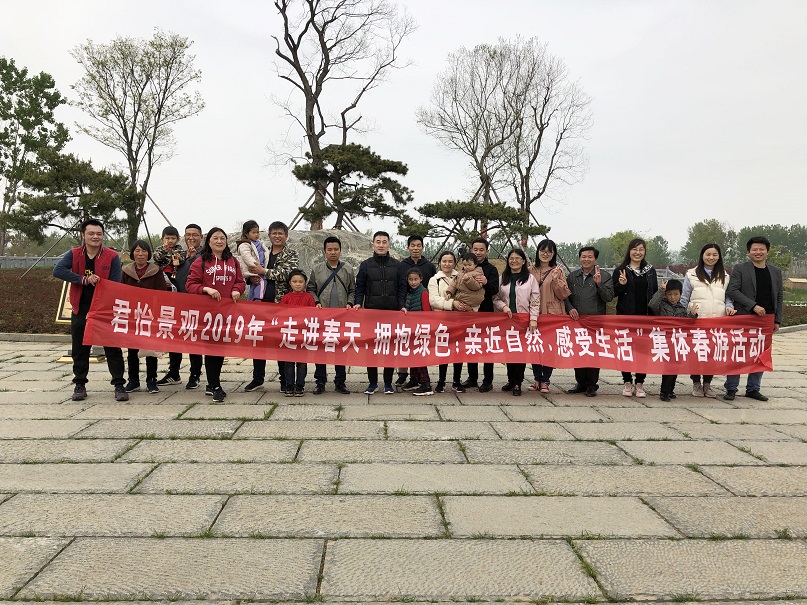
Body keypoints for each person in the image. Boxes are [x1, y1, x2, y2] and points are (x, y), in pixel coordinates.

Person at [53, 218, 127, 402]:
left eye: (99, 234)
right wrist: (83, 279)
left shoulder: (111, 256)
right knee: (80, 347)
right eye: (91, 233)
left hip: (104, 308)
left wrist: (101, 283)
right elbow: (58, 270)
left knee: (112, 347)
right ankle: (80, 384)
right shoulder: (74, 254)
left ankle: (119, 384)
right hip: (81, 307)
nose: (95, 237)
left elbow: (115, 282)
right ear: (83, 235)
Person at [186, 227, 246, 402]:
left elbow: (241, 282)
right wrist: (206, 289)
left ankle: (212, 384)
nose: (219, 241)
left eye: (222, 238)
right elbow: (190, 285)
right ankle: (215, 385)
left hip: (227, 313)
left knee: (220, 349)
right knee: (211, 349)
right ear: (209, 241)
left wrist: (237, 289)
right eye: (215, 238)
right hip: (207, 313)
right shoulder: (200, 262)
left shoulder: (233, 261)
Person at [723, 235, 784, 402]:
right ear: (748, 252)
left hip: (766, 319)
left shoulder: (775, 272)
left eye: (761, 249)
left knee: (761, 355)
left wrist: (777, 320)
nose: (758, 252)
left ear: (767, 251)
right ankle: (731, 388)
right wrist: (753, 305)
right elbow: (732, 291)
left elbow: (779, 296)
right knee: (738, 353)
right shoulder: (740, 269)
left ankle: (753, 388)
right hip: (744, 317)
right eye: (754, 249)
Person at [244, 221, 299, 393]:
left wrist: (264, 272)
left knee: (281, 343)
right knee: (258, 342)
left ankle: (284, 380)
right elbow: (251, 268)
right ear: (268, 235)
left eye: (280, 233)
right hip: (260, 304)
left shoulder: (291, 253)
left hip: (281, 306)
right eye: (274, 233)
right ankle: (257, 378)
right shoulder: (263, 252)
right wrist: (251, 277)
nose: (277, 236)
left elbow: (288, 274)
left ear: (286, 236)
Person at [353, 230, 407, 395]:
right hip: (371, 313)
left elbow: (402, 288)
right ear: (373, 245)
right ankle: (372, 383)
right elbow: (360, 287)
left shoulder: (398, 266)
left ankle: (388, 383)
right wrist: (357, 303)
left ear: (389, 245)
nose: (381, 245)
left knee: (389, 348)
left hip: (392, 312)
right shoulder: (366, 265)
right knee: (372, 348)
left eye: (384, 242)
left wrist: (401, 306)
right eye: (378, 242)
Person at [680, 243, 736, 398]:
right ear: (702, 256)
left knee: (712, 354)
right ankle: (696, 383)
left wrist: (729, 307)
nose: (711, 257)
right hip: (696, 321)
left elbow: (728, 297)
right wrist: (683, 316)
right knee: (696, 353)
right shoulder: (691, 274)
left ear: (719, 257)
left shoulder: (725, 276)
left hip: (717, 321)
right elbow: (684, 298)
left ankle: (707, 384)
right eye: (708, 254)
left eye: (714, 255)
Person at [121, 240, 172, 394]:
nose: (140, 254)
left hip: (150, 314)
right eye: (137, 251)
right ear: (132, 253)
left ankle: (152, 380)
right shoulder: (126, 271)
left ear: (148, 253)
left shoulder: (156, 271)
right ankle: (133, 380)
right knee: (132, 350)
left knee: (151, 350)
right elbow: (121, 291)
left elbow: (162, 293)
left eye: (143, 251)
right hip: (132, 315)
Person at [158, 223, 204, 389]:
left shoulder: (205, 256)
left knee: (193, 339)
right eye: (188, 235)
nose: (191, 238)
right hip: (175, 301)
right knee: (174, 337)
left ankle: (195, 374)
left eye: (195, 235)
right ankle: (174, 373)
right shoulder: (180, 255)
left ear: (201, 237)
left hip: (195, 303)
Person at [307, 235, 355, 395]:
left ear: (340, 250)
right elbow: (311, 289)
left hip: (342, 317)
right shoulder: (317, 269)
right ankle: (320, 381)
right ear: (324, 251)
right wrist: (316, 302)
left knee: (340, 349)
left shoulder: (348, 269)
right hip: (322, 317)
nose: (333, 252)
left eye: (336, 249)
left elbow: (352, 290)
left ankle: (340, 382)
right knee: (320, 349)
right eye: (329, 249)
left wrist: (350, 302)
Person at [565, 246, 614, 397]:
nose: (586, 259)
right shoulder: (572, 276)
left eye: (589, 257)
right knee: (578, 352)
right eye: (583, 256)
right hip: (576, 321)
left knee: (593, 353)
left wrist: (599, 284)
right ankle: (580, 383)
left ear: (595, 259)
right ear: (579, 258)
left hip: (595, 322)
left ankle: (592, 385)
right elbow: (565, 296)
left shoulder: (604, 276)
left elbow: (609, 297)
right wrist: (570, 308)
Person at [613, 238, 658, 398]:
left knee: (642, 352)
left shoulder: (650, 271)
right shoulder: (621, 270)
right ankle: (627, 382)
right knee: (626, 350)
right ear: (629, 251)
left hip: (645, 317)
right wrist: (622, 284)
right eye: (634, 249)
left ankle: (639, 383)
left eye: (641, 249)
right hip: (626, 317)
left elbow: (654, 293)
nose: (637, 252)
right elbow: (614, 293)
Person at [493, 249, 540, 396]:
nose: (514, 261)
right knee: (509, 351)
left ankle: (517, 382)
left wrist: (533, 318)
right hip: (507, 320)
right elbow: (495, 298)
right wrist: (503, 306)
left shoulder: (530, 279)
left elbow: (535, 299)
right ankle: (511, 380)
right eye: (511, 258)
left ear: (523, 261)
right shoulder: (503, 278)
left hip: (523, 320)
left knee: (520, 352)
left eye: (517, 258)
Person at [528, 239, 571, 393]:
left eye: (549, 251)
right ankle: (536, 379)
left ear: (553, 254)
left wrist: (556, 280)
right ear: (538, 251)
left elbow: (563, 294)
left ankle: (545, 380)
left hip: (552, 314)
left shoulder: (558, 270)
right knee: (535, 346)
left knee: (549, 348)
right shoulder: (530, 270)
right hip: (534, 314)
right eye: (542, 250)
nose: (545, 254)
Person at [396, 234, 437, 387]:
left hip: (421, 318)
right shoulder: (402, 265)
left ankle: (424, 382)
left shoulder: (429, 266)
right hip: (408, 312)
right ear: (408, 247)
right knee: (410, 349)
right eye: (412, 245)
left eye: (418, 245)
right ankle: (411, 379)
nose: (415, 248)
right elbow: (401, 288)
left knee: (419, 351)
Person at [459, 237, 500, 392]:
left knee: (487, 348)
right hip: (469, 313)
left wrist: (486, 282)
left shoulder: (491, 270)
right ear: (471, 250)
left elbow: (495, 290)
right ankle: (472, 378)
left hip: (486, 313)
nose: (478, 252)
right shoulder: (465, 268)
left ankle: (488, 380)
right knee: (472, 345)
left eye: (481, 250)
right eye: (475, 249)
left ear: (487, 251)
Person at [649, 279, 696, 401]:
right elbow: (652, 305)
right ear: (665, 295)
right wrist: (661, 291)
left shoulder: (681, 308)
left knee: (676, 366)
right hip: (665, 340)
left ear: (680, 294)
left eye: (676, 294)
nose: (673, 297)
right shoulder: (661, 305)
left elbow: (687, 323)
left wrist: (692, 315)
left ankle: (670, 390)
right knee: (668, 367)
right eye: (669, 294)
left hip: (677, 341)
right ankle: (664, 392)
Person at [428, 251, 464, 393]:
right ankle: (441, 381)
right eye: (444, 261)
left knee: (458, 350)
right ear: (439, 263)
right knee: (443, 349)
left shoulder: (461, 276)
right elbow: (433, 299)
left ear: (455, 263)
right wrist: (452, 304)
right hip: (442, 320)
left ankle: (457, 381)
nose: (447, 264)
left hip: (459, 318)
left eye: (450, 261)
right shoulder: (434, 279)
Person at [279, 269, 316, 397]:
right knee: (289, 362)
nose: (298, 284)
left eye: (301, 281)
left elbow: (313, 316)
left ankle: (300, 385)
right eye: (294, 281)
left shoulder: (309, 298)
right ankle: (289, 385)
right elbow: (281, 315)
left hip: (303, 335)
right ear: (290, 283)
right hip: (289, 334)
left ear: (305, 283)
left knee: (302, 362)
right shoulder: (286, 298)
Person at [403, 267, 434, 396]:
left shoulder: (423, 292)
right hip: (411, 329)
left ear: (421, 279)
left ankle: (426, 383)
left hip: (420, 329)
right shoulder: (410, 292)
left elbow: (427, 312)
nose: (413, 282)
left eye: (415, 279)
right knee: (412, 355)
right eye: (410, 279)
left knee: (419, 356)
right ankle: (414, 380)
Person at [235, 219, 270, 301]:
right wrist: (255, 265)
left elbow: (266, 251)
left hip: (261, 267)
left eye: (257, 232)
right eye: (254, 233)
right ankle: (258, 298)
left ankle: (250, 301)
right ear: (246, 234)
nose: (256, 234)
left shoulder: (259, 242)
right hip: (254, 268)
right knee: (262, 282)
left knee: (254, 285)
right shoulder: (244, 244)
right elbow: (246, 256)